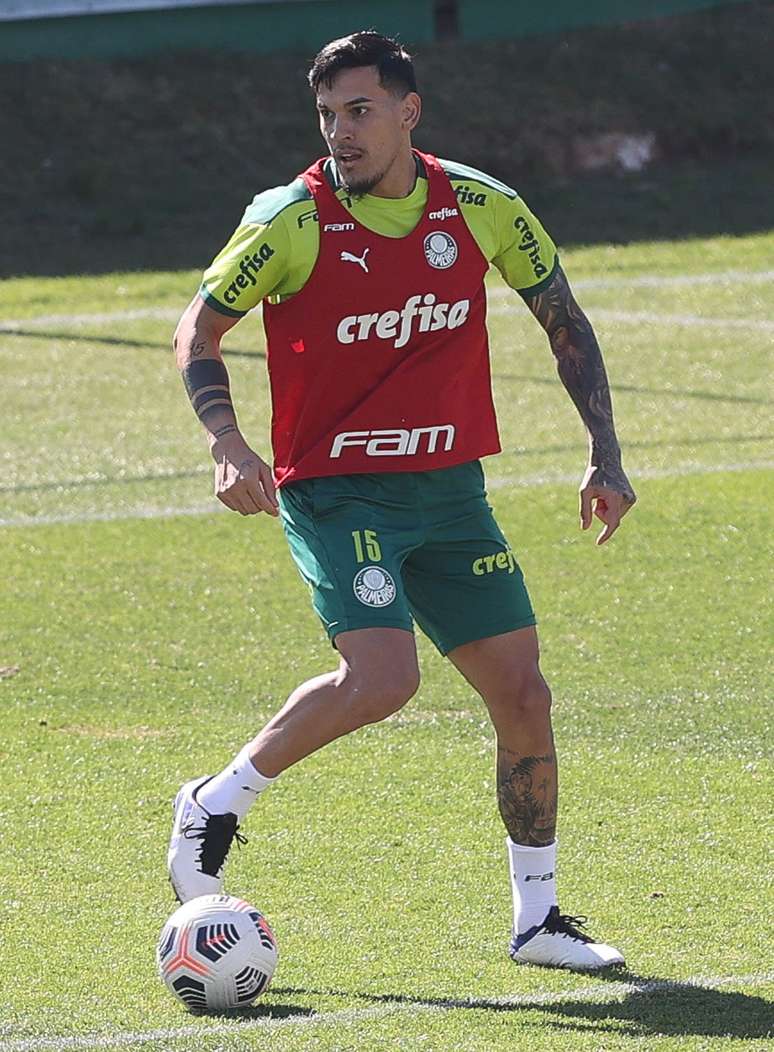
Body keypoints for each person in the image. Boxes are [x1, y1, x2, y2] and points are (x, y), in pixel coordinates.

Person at [168, 30, 636, 971]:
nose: (340, 132)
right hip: (340, 494)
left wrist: (605, 453)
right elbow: (200, 327)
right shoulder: (290, 220)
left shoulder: (479, 205)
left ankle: (537, 922)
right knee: (385, 679)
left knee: (524, 693)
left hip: (451, 491)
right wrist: (228, 443)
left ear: (407, 111)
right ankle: (217, 801)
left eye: (360, 111)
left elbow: (563, 318)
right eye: (329, 115)